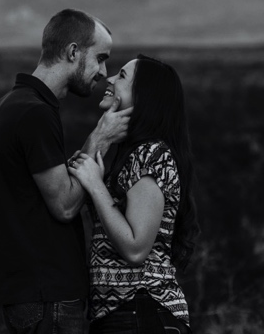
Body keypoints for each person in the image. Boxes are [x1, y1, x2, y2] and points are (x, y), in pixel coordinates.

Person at [0, 9, 132, 334]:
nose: (104, 73)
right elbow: (64, 205)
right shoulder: (33, 113)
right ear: (73, 52)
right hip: (46, 293)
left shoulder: (12, 104)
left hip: (32, 291)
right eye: (100, 58)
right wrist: (100, 138)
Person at [68, 54, 199, 334]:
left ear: (143, 97)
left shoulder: (152, 154)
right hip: (125, 314)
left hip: (142, 311)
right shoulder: (130, 155)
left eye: (122, 77)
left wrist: (95, 185)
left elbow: (136, 248)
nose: (110, 79)